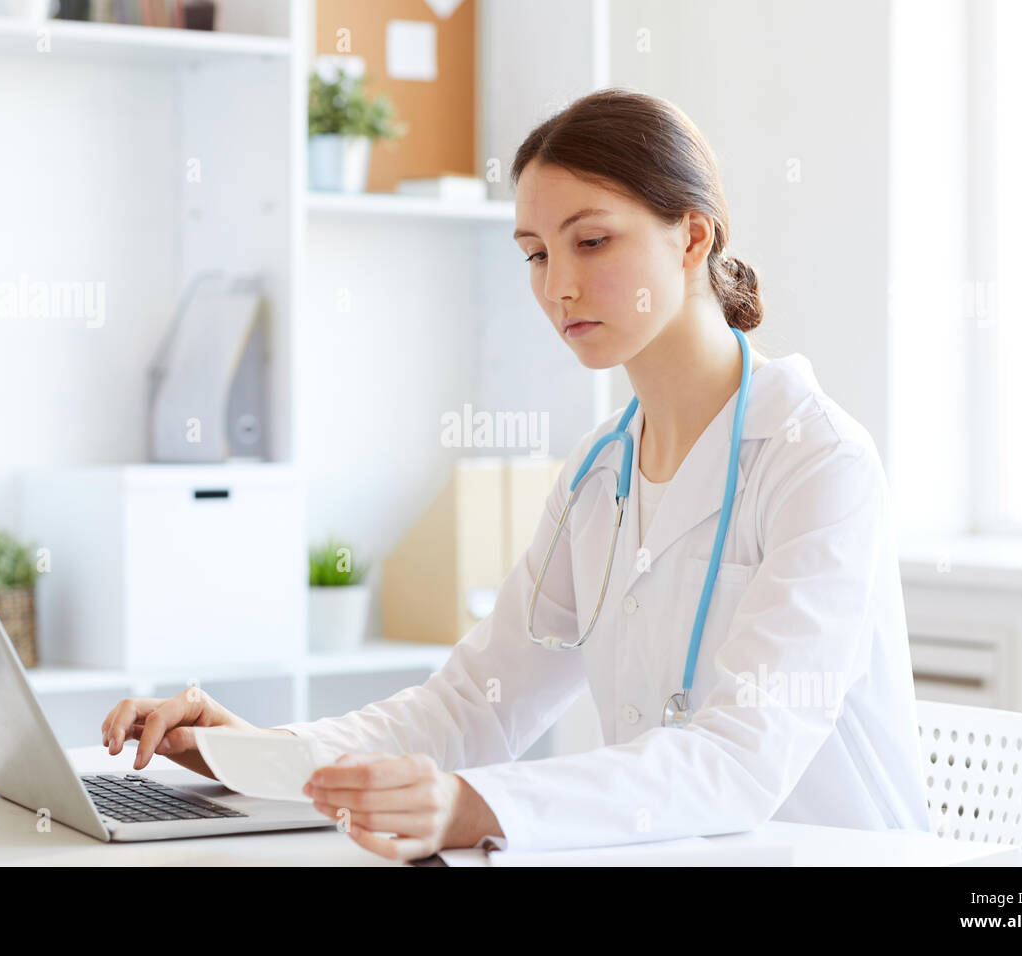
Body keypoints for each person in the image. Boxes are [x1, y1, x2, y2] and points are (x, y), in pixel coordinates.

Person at [101, 87, 932, 861]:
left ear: (694, 235)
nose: (559, 287)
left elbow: (739, 762)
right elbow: (476, 704)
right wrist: (251, 754)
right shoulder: (601, 468)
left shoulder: (819, 462)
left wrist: (473, 807)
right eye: (535, 254)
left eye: (592, 241)